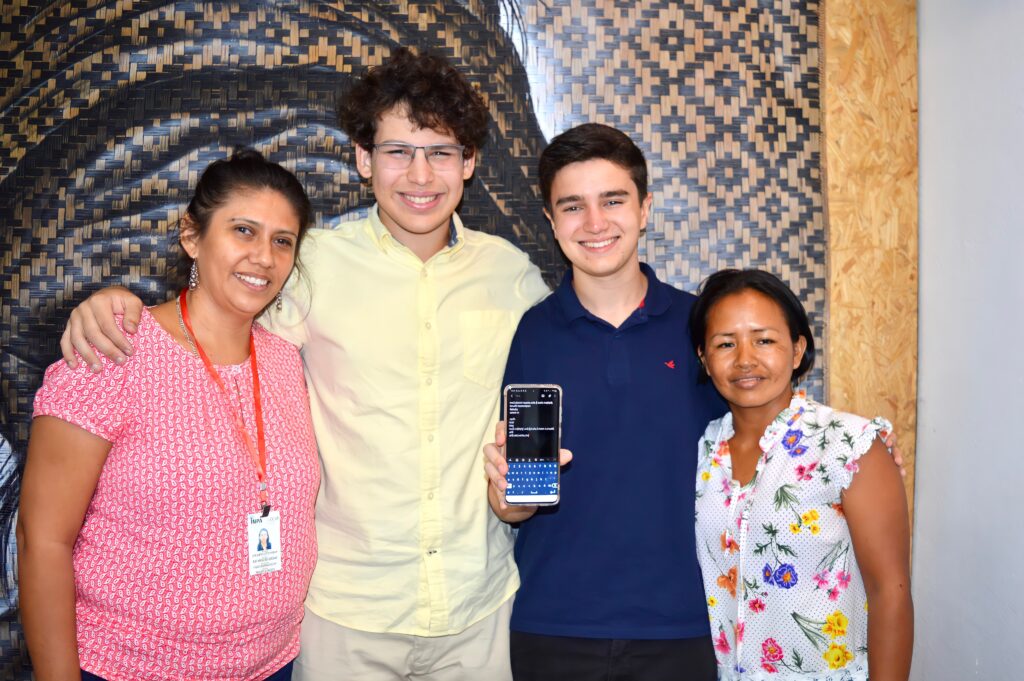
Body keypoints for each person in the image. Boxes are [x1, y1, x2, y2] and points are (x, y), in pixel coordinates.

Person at [57, 49, 549, 680]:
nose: (420, 174)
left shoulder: (511, 275)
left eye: (442, 152)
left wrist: (524, 494)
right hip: (344, 613)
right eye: (398, 151)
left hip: (477, 612)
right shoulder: (310, 263)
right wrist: (115, 306)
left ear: (470, 164)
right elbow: (218, 324)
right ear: (364, 160)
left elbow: (554, 370)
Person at [17, 149, 320, 680]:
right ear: (191, 236)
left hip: (270, 665)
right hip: (126, 667)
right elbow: (41, 540)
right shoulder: (113, 350)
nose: (264, 258)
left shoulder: (284, 361)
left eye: (282, 241)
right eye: (243, 231)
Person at [484, 123, 725, 679]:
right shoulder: (532, 332)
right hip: (555, 624)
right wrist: (507, 499)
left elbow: (763, 440)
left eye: (612, 200)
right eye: (572, 206)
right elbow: (515, 501)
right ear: (551, 221)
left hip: (688, 624)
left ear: (644, 209)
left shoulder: (702, 326)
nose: (594, 223)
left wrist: (857, 460)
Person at [688, 269, 912, 679]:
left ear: (797, 350)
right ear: (704, 358)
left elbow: (890, 594)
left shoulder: (850, 443)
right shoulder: (703, 451)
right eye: (724, 344)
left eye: (764, 340)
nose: (745, 360)